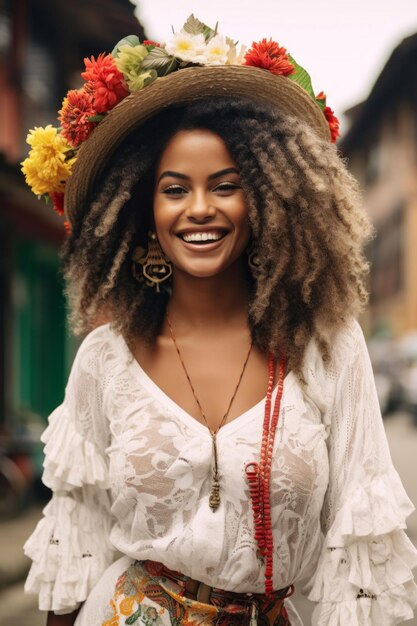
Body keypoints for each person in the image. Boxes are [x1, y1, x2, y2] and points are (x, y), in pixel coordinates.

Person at [21, 15, 417, 626]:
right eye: (174, 188)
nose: (199, 208)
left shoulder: (328, 349)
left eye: (225, 185)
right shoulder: (105, 358)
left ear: (264, 199)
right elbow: (75, 548)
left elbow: (361, 554)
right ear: (143, 210)